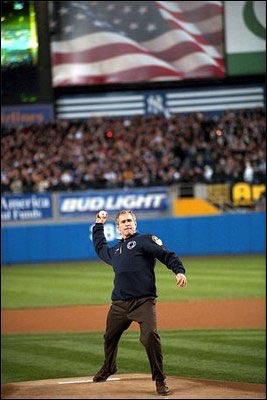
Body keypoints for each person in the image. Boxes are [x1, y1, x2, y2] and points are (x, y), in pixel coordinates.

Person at [92, 209, 187, 395]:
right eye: (123, 222)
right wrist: (98, 225)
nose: (127, 223)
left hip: (143, 302)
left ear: (135, 223)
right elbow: (100, 247)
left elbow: (166, 254)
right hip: (119, 304)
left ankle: (159, 379)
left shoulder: (144, 240)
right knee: (109, 337)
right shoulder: (115, 251)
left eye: (130, 220)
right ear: (118, 227)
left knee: (150, 336)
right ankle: (109, 367)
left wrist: (179, 270)